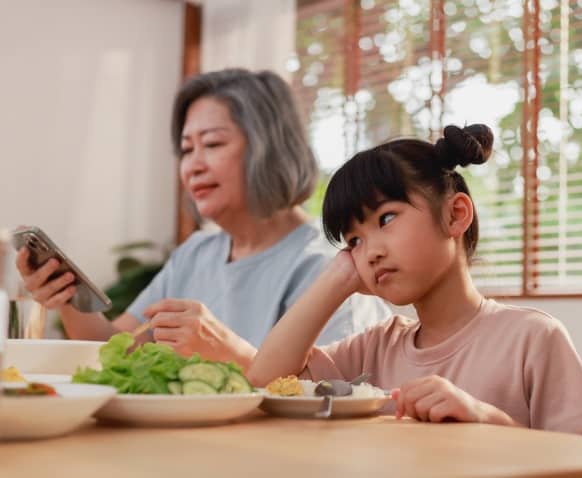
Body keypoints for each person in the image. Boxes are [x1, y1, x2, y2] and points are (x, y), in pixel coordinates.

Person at [248, 124, 582, 434]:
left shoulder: (531, 337)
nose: (370, 251)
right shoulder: (376, 346)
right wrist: (338, 277)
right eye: (354, 240)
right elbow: (265, 380)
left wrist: (484, 419)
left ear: (456, 214)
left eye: (386, 219)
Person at [15, 69, 389, 369]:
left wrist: (228, 351)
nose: (192, 165)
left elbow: (331, 397)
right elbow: (115, 352)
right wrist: (67, 296)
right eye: (185, 149)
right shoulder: (196, 253)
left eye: (212, 144)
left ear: (268, 149)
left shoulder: (331, 267)